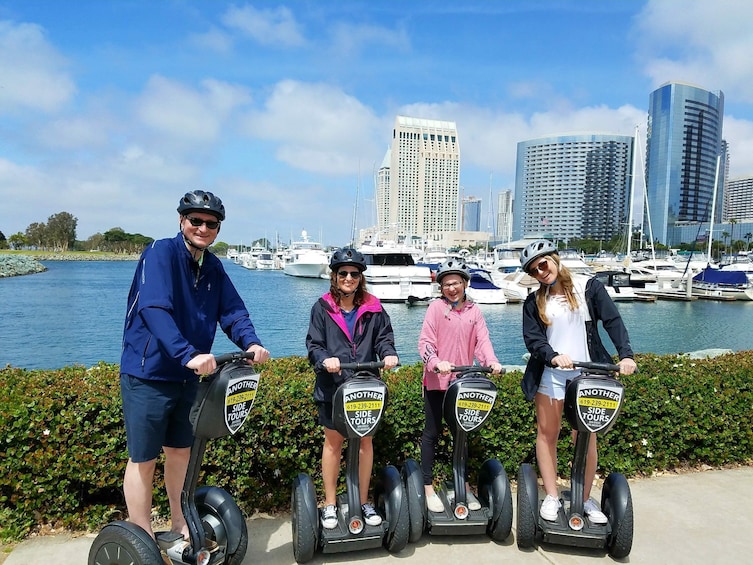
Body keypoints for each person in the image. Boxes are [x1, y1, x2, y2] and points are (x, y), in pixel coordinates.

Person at [119, 189, 270, 548]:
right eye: (195, 221)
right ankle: (140, 536)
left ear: (217, 229)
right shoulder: (159, 253)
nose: (202, 228)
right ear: (181, 221)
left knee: (181, 452)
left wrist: (250, 342)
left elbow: (232, 311)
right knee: (143, 458)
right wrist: (186, 352)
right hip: (148, 373)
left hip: (188, 376)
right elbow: (154, 309)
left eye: (210, 224)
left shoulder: (213, 267)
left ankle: (178, 522)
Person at [520, 239, 636, 524]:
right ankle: (551, 495)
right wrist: (553, 356)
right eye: (534, 270)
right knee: (548, 435)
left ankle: (583, 498)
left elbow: (612, 321)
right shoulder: (534, 301)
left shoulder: (589, 288)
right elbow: (533, 340)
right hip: (551, 375)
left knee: (585, 438)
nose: (541, 271)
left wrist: (626, 355)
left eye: (543, 264)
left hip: (587, 375)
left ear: (555, 259)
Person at [305, 248, 399, 530]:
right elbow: (314, 345)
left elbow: (384, 338)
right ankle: (331, 503)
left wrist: (388, 354)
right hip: (333, 387)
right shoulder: (322, 307)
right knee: (333, 444)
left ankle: (361, 499)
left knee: (365, 443)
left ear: (361, 278)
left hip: (366, 387)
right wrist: (324, 360)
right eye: (343, 273)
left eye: (354, 274)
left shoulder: (373, 307)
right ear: (334, 276)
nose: (348, 278)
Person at [417, 260, 503, 513]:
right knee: (432, 434)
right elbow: (425, 342)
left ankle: (463, 486)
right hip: (436, 382)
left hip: (462, 384)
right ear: (441, 287)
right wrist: (435, 362)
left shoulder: (473, 311)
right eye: (446, 284)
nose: (451, 288)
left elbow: (482, 342)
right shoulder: (435, 308)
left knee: (461, 436)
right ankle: (428, 487)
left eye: (455, 283)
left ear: (465, 283)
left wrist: (492, 362)